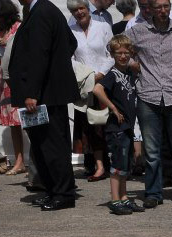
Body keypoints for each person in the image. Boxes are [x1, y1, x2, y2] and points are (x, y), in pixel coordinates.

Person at [9, 0, 80, 211]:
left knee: (52, 145)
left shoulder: (42, 11)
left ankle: (63, 193)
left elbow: (39, 54)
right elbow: (70, 42)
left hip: (43, 96)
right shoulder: (42, 10)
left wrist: (32, 92)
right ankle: (52, 189)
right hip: (45, 93)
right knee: (41, 146)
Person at [127, 0, 172, 207]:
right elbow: (114, 47)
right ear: (151, 9)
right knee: (152, 150)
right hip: (148, 94)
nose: (163, 11)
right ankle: (153, 193)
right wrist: (133, 65)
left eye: (166, 6)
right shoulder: (137, 31)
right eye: (158, 7)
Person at [92, 34, 142, 214]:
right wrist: (113, 108)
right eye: (119, 53)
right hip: (116, 128)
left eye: (126, 52)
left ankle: (124, 197)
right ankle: (114, 199)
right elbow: (97, 89)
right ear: (113, 54)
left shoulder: (128, 72)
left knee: (125, 164)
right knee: (117, 165)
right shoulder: (113, 74)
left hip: (127, 126)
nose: (123, 56)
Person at [68, 0, 113, 182]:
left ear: (88, 9)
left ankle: (107, 165)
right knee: (87, 127)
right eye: (75, 10)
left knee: (102, 125)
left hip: (103, 82)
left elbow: (112, 53)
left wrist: (100, 73)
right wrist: (84, 74)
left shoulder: (103, 26)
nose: (79, 12)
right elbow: (69, 57)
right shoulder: (71, 31)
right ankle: (93, 165)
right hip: (83, 83)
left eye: (81, 8)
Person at [0, 0, 24, 175]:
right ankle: (19, 160)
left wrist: (7, 44)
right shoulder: (0, 31)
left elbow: (25, 53)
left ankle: (35, 160)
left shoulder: (19, 27)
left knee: (28, 120)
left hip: (19, 80)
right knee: (14, 124)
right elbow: (1, 60)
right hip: (6, 80)